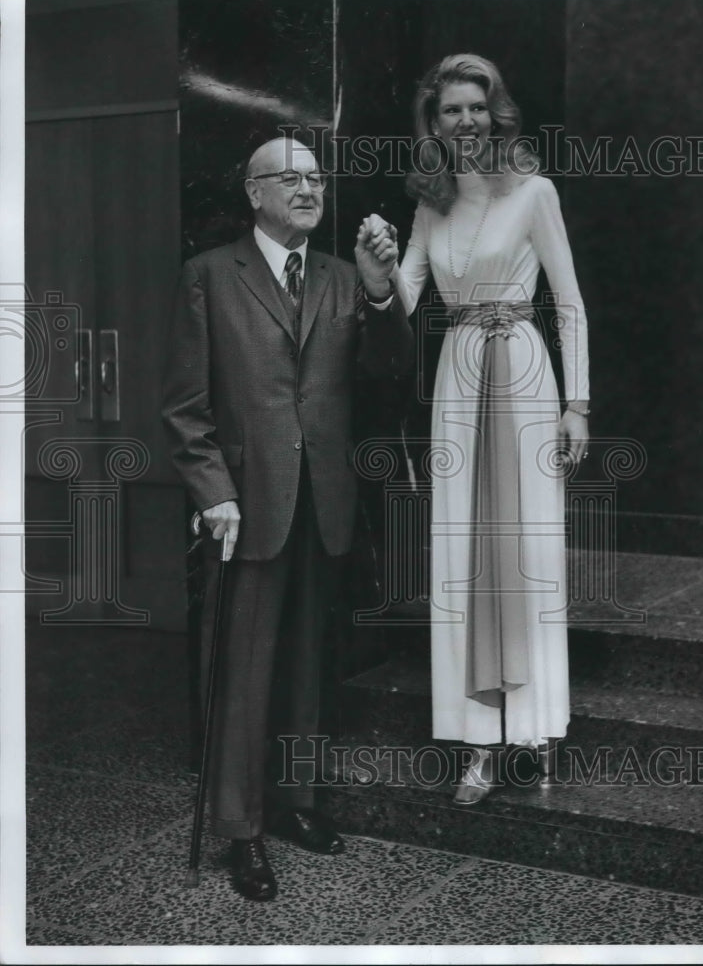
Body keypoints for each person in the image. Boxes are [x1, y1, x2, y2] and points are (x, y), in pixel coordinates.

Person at [161, 135, 412, 901]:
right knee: (240, 671)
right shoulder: (210, 275)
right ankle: (240, 831)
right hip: (247, 506)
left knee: (307, 662)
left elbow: (389, 379)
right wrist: (214, 494)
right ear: (253, 192)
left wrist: (381, 294)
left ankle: (297, 802)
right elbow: (183, 407)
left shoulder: (344, 278)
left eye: (316, 178)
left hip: (323, 502)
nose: (308, 189)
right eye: (289, 178)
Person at [364, 53, 590, 804]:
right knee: (460, 551)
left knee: (526, 550)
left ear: (496, 113)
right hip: (458, 377)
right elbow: (404, 300)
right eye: (447, 111)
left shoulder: (533, 192)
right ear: (432, 123)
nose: (462, 121)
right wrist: (379, 269)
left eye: (473, 107)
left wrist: (577, 405)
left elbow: (569, 305)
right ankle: (476, 744)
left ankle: (531, 732)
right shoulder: (430, 202)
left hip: (524, 374)